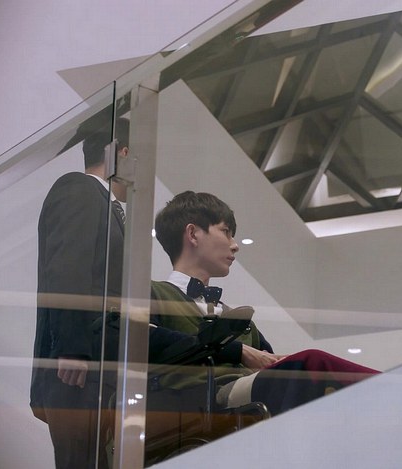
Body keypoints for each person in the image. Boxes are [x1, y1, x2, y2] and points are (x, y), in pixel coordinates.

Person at [151, 191, 379, 416]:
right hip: (200, 399)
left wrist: (280, 360)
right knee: (313, 363)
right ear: (193, 234)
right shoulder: (153, 294)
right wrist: (238, 351)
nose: (234, 245)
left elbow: (268, 361)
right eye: (226, 232)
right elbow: (150, 342)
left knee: (317, 374)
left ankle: (388, 390)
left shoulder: (239, 319)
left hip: (245, 395)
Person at [30, 117, 130, 469]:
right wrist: (71, 348)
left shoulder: (103, 203)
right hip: (76, 366)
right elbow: (67, 267)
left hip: (95, 365)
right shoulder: (79, 189)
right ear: (122, 154)